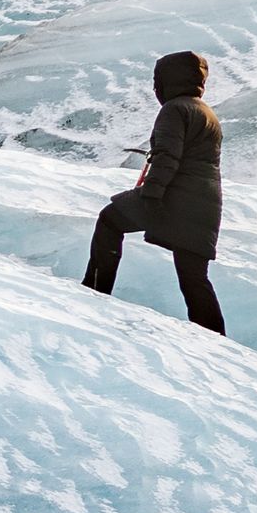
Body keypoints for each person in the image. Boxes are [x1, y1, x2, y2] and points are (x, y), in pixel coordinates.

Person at [82, 51, 224, 331]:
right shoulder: (204, 111)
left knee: (110, 220)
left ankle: (94, 292)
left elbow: (167, 156)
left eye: (157, 80)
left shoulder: (174, 109)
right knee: (193, 276)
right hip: (204, 204)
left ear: (167, 81)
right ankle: (215, 336)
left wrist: (151, 195)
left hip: (175, 196)